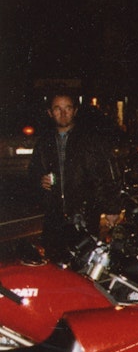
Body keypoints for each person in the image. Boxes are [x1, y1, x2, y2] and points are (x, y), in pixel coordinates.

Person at [27, 91, 124, 261]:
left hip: (84, 216)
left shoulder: (91, 140)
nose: (63, 113)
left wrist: (112, 208)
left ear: (75, 111)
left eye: (68, 108)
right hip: (54, 218)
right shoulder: (44, 143)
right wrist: (39, 181)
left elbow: (108, 173)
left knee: (83, 267)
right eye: (57, 109)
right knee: (55, 268)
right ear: (50, 112)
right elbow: (33, 174)